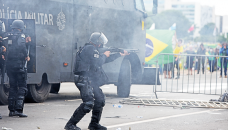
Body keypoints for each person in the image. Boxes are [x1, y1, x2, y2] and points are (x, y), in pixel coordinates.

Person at [65, 32, 129, 130]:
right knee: (88, 103)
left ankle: (94, 124)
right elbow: (99, 61)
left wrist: (119, 54)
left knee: (100, 100)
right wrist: (104, 55)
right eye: (101, 42)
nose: (102, 44)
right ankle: (70, 124)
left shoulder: (93, 49)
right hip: (83, 79)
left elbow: (104, 60)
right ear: (97, 42)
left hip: (89, 79)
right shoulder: (90, 48)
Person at [6, 20, 31, 118]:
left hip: (9, 66)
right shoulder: (21, 36)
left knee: (12, 87)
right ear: (21, 27)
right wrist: (26, 56)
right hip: (19, 65)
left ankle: (11, 110)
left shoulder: (8, 35)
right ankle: (18, 110)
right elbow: (21, 46)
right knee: (22, 87)